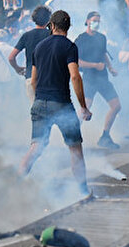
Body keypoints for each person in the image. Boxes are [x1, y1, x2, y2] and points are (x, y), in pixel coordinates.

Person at [19, 10, 92, 195]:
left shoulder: (39, 47)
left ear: (51, 26)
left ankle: (16, 183)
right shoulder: (70, 47)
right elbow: (75, 76)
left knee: (36, 146)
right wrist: (83, 106)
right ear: (68, 27)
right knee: (75, 148)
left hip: (40, 102)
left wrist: (39, 100)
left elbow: (33, 80)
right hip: (61, 104)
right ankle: (84, 192)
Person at [75, 11, 122, 149]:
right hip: (89, 78)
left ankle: (105, 137)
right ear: (88, 21)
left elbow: (103, 54)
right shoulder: (80, 39)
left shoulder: (102, 38)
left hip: (103, 78)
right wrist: (95, 65)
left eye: (99, 21)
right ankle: (72, 135)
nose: (97, 23)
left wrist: (110, 67)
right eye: (95, 20)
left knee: (116, 106)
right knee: (85, 109)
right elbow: (77, 62)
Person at [9, 5, 51, 102]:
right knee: (51, 113)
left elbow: (11, 57)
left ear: (34, 19)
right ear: (48, 19)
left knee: (36, 110)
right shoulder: (52, 35)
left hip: (31, 77)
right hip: (49, 79)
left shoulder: (26, 35)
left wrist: (17, 68)